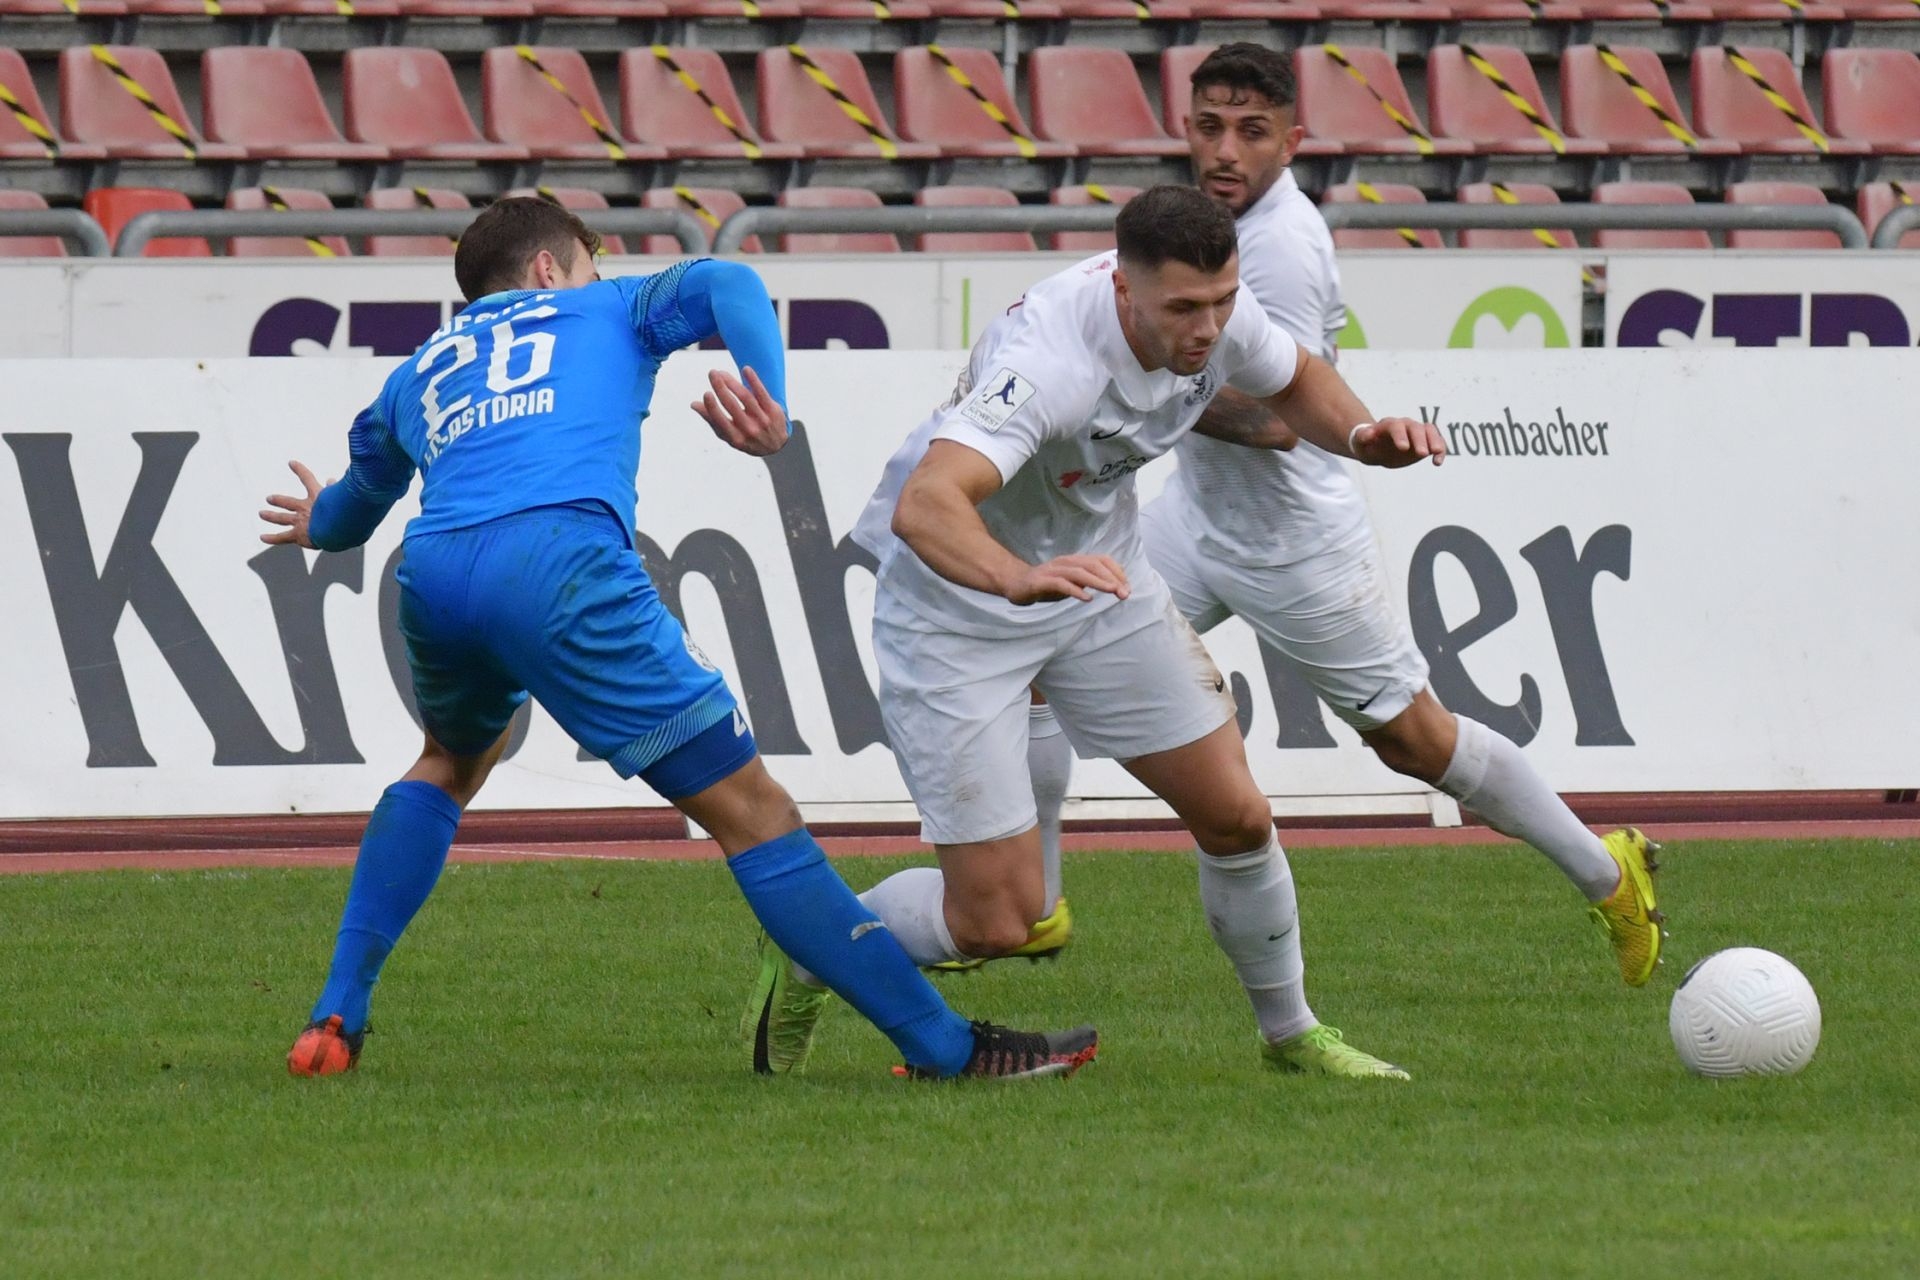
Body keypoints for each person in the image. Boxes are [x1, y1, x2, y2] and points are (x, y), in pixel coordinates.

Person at [260, 197, 1097, 1083]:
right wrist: (767, 397)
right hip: (560, 561)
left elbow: (353, 511)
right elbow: (729, 280)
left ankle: (337, 1013)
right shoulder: (605, 306)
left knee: (447, 762)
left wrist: (317, 525)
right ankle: (946, 1049)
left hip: (433, 573)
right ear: (550, 269)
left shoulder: (419, 371)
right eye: (588, 261)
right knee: (754, 814)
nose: (598, 276)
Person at [754, 184, 1445, 1079]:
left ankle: (1293, 1036)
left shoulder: (1220, 313)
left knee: (1236, 816)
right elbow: (928, 506)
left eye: (1223, 303)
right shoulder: (1050, 359)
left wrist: (1358, 433)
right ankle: (814, 948)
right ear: (1123, 288)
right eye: (1184, 309)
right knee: (1001, 922)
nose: (1208, 330)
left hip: (1097, 579)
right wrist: (1016, 576)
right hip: (958, 610)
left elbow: (1297, 375)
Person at [1128, 42, 1663, 989]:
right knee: (1048, 651)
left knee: (1414, 739)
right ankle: (1027, 904)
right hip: (1195, 520)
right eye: (1211, 126)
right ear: (1185, 126)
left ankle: (1604, 870)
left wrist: (1136, 389)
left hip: (1292, 539)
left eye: (1252, 133)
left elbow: (1276, 423)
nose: (1226, 151)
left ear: (1291, 142)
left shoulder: (1280, 249)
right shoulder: (1196, 228)